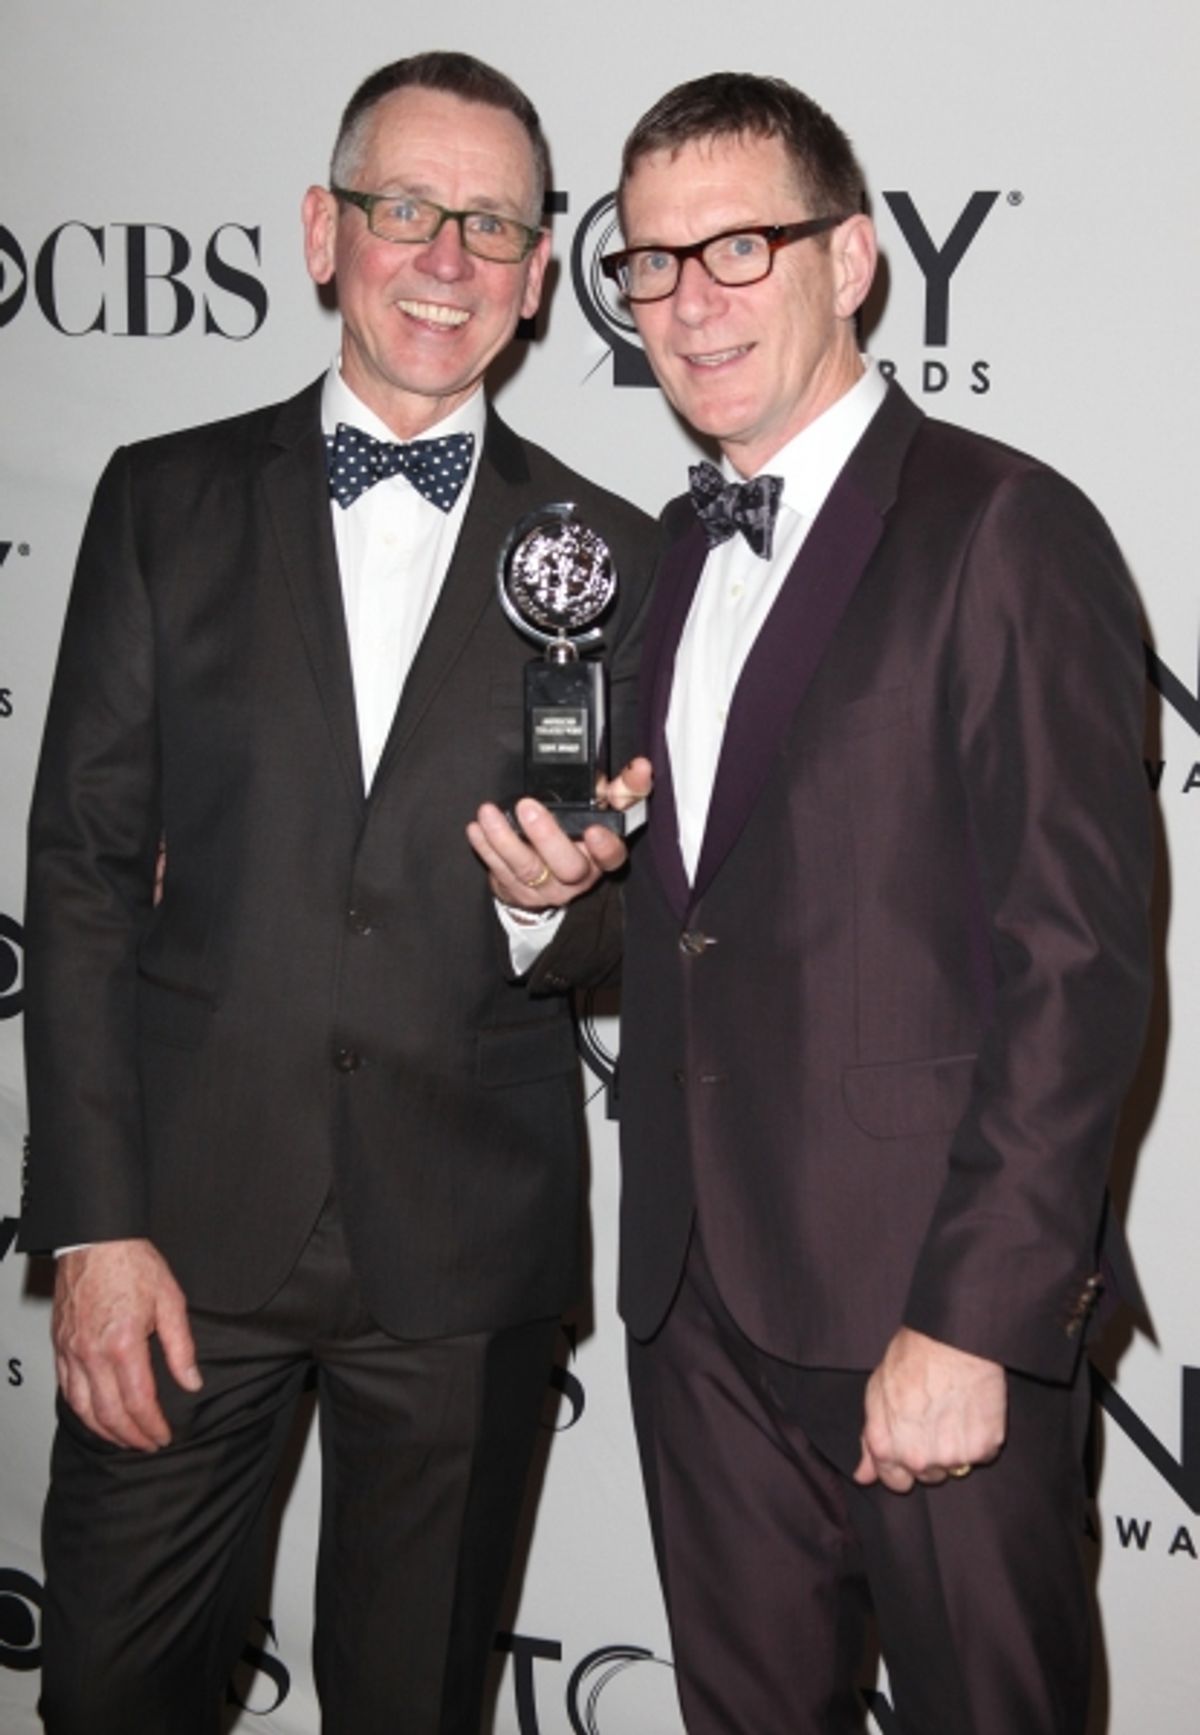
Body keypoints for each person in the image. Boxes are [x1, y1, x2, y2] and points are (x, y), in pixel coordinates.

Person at [469, 71, 1152, 1735]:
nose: (688, 304)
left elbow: (1080, 969)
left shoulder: (1007, 529)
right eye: (651, 263)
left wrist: (974, 1319)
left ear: (852, 260)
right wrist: (555, 910)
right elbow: (717, 920)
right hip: (697, 1298)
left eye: (741, 251)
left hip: (923, 1306)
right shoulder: (677, 557)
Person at [19, 50, 654, 1735]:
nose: (445, 257)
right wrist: (92, 1224)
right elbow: (78, 873)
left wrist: (549, 906)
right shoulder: (162, 501)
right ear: (323, 232)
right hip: (181, 1240)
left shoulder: (616, 554)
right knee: (106, 1692)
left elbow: (630, 910)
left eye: (493, 224)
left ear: (537, 276)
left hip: (464, 1251)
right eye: (405, 210)